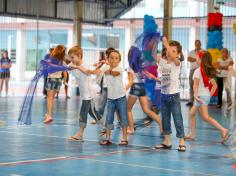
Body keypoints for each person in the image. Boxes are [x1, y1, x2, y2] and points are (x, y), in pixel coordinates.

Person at [185, 51, 229, 143]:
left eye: (197, 58)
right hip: (204, 95)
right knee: (193, 114)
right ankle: (192, 134)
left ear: (200, 60)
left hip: (200, 96)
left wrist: (196, 96)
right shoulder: (206, 71)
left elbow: (195, 85)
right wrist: (209, 95)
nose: (196, 59)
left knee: (205, 117)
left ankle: (223, 130)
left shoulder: (197, 71)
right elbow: (215, 86)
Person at [155, 37, 186, 152]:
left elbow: (174, 59)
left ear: (178, 54)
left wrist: (166, 44)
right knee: (165, 119)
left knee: (178, 119)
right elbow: (163, 77)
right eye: (168, 50)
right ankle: (167, 141)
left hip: (174, 96)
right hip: (164, 95)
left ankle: (181, 140)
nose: (170, 53)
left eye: (173, 51)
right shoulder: (162, 62)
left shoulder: (177, 62)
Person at [67, 46, 104, 141]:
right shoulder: (72, 64)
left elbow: (88, 72)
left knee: (83, 113)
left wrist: (77, 67)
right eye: (70, 57)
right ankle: (106, 127)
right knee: (93, 113)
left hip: (89, 94)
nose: (71, 59)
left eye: (73, 57)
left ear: (79, 56)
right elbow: (65, 66)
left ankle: (80, 134)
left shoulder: (84, 65)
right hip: (84, 95)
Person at [126, 46, 162, 135]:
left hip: (135, 87)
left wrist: (124, 89)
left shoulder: (130, 66)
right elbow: (148, 74)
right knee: (147, 110)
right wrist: (157, 79)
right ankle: (161, 125)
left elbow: (131, 81)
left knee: (128, 110)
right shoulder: (141, 65)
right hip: (142, 87)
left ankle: (131, 129)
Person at [100, 50, 129, 145]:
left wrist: (107, 71)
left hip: (121, 97)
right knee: (109, 118)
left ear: (119, 61)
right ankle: (107, 138)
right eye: (111, 57)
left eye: (116, 58)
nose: (113, 60)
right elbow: (99, 71)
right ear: (108, 59)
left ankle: (124, 138)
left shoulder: (119, 69)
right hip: (110, 98)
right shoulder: (105, 68)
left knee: (123, 117)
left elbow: (114, 73)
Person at [44, 45, 66, 124]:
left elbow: (48, 70)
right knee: (51, 99)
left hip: (51, 79)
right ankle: (48, 113)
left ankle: (49, 115)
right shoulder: (62, 61)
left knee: (49, 99)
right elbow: (65, 71)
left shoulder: (51, 60)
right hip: (59, 81)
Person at [186, 40, 202, 106]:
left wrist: (194, 59)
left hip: (200, 70)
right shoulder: (191, 52)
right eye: (196, 44)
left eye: (198, 44)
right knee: (191, 85)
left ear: (200, 44)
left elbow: (203, 60)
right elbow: (189, 59)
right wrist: (198, 59)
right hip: (192, 70)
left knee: (199, 86)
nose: (197, 45)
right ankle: (191, 100)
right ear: (194, 44)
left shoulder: (203, 52)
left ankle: (198, 100)